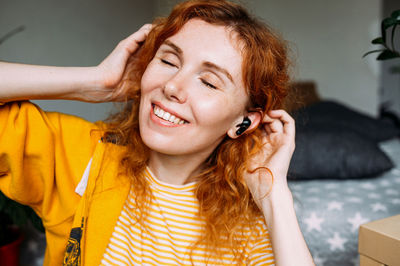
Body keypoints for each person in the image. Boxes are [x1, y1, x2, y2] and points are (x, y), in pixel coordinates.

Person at [0, 0, 314, 265]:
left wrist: (274, 196)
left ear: (243, 122)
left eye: (208, 82)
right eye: (168, 60)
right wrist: (94, 82)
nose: (172, 86)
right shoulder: (84, 159)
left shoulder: (247, 230)